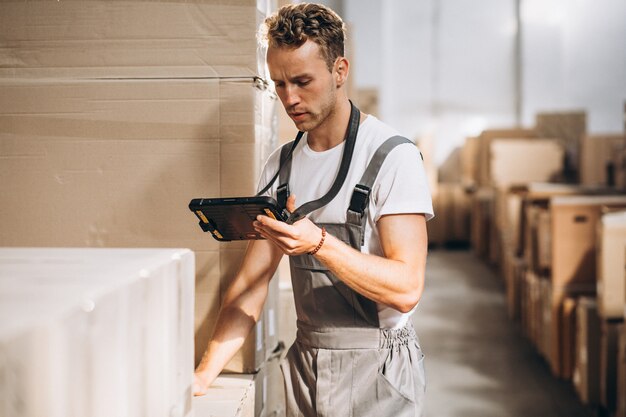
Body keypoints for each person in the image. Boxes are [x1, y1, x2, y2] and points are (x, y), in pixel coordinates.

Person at [193, 3, 433, 416]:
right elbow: (250, 287)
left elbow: (407, 287)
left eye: (303, 81)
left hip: (378, 369)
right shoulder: (280, 166)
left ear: (340, 71)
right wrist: (201, 376)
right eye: (280, 84)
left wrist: (319, 242)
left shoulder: (392, 157)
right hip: (307, 365)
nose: (290, 98)